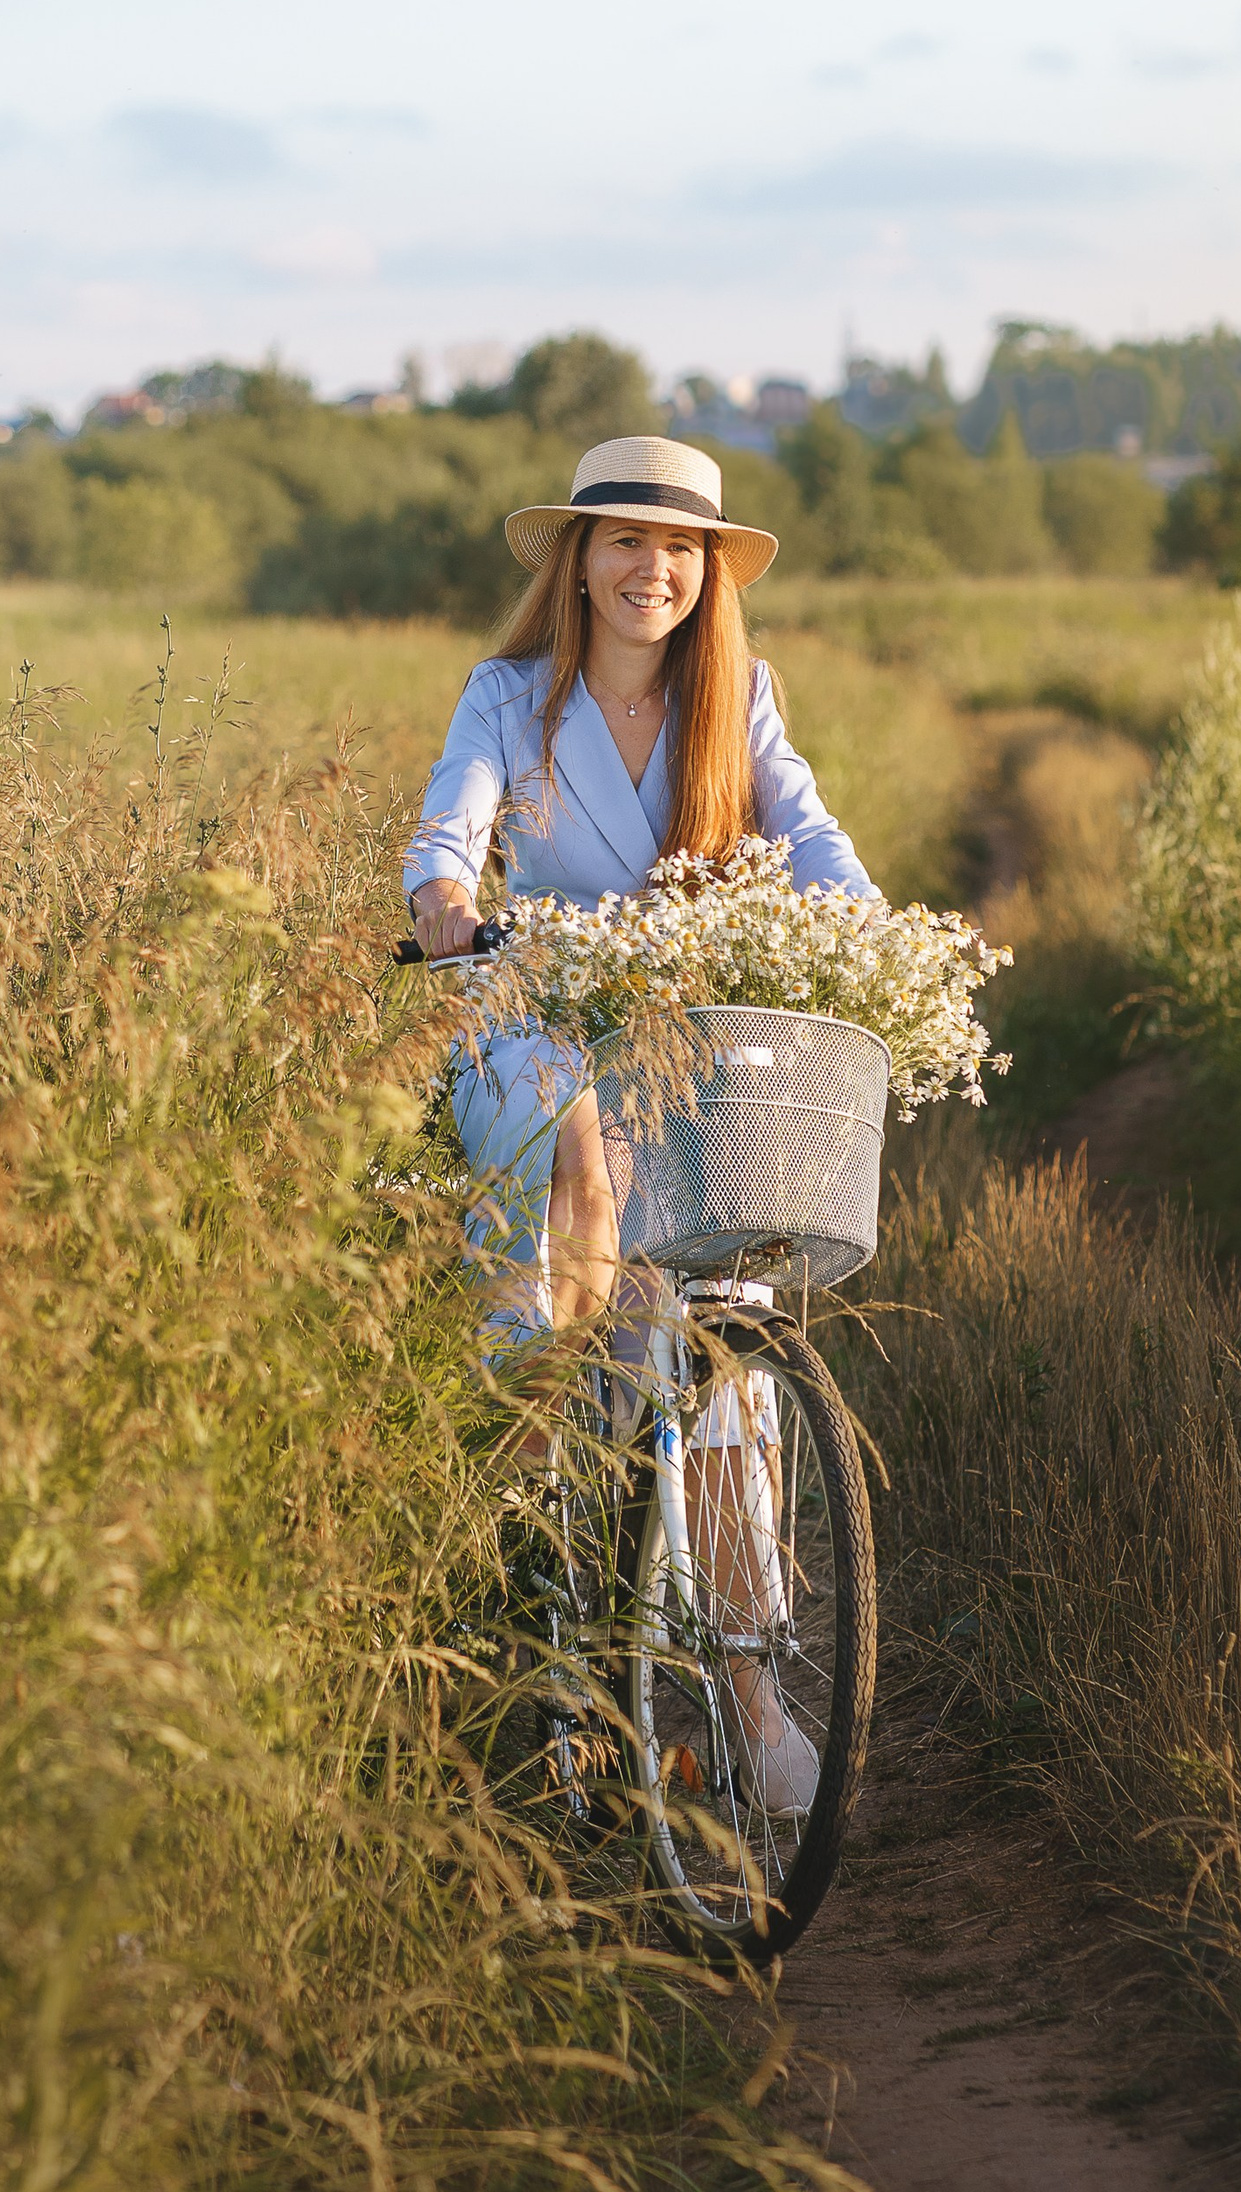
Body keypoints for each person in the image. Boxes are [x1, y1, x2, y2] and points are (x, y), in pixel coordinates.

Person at [404, 429, 879, 1809]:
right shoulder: (507, 697)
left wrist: (865, 922)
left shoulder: (743, 697)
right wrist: (442, 900)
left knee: (720, 1331)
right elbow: (451, 831)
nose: (651, 568)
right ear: (579, 557)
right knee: (576, 1197)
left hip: (690, 1026)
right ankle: (555, 1591)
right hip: (538, 1015)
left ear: (709, 574)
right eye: (625, 539)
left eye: (680, 548)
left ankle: (747, 1688)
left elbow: (810, 831)